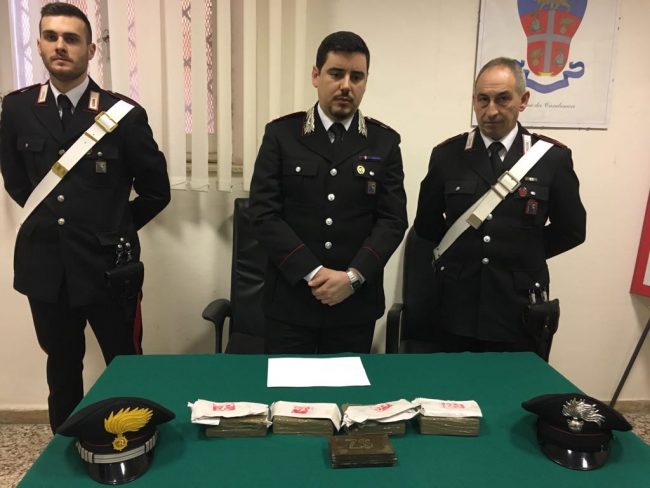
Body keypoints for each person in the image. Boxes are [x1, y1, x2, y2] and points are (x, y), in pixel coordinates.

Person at [0, 2, 170, 431]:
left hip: (108, 267)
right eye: (51, 36)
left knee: (125, 363)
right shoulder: (17, 109)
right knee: (61, 365)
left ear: (91, 50)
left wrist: (113, 228)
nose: (61, 46)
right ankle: (65, 444)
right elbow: (17, 181)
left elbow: (156, 191)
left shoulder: (122, 115)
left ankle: (134, 441)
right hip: (45, 265)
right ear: (39, 44)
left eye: (71, 39)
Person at [249, 31, 407, 354]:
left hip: (354, 306)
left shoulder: (384, 142)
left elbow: (392, 221)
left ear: (365, 81)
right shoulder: (281, 135)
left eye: (356, 77)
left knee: (349, 388)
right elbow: (264, 214)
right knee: (288, 389)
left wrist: (353, 278)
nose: (346, 85)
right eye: (336, 73)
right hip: (291, 304)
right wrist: (314, 272)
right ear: (316, 75)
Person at [413, 57, 586, 354]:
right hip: (456, 307)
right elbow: (426, 224)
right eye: (483, 99)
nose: (491, 110)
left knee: (517, 383)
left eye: (503, 99)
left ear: (523, 100)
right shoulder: (447, 155)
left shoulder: (551, 158)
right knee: (453, 383)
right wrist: (464, 252)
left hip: (519, 309)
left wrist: (523, 251)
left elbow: (572, 230)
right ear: (474, 101)